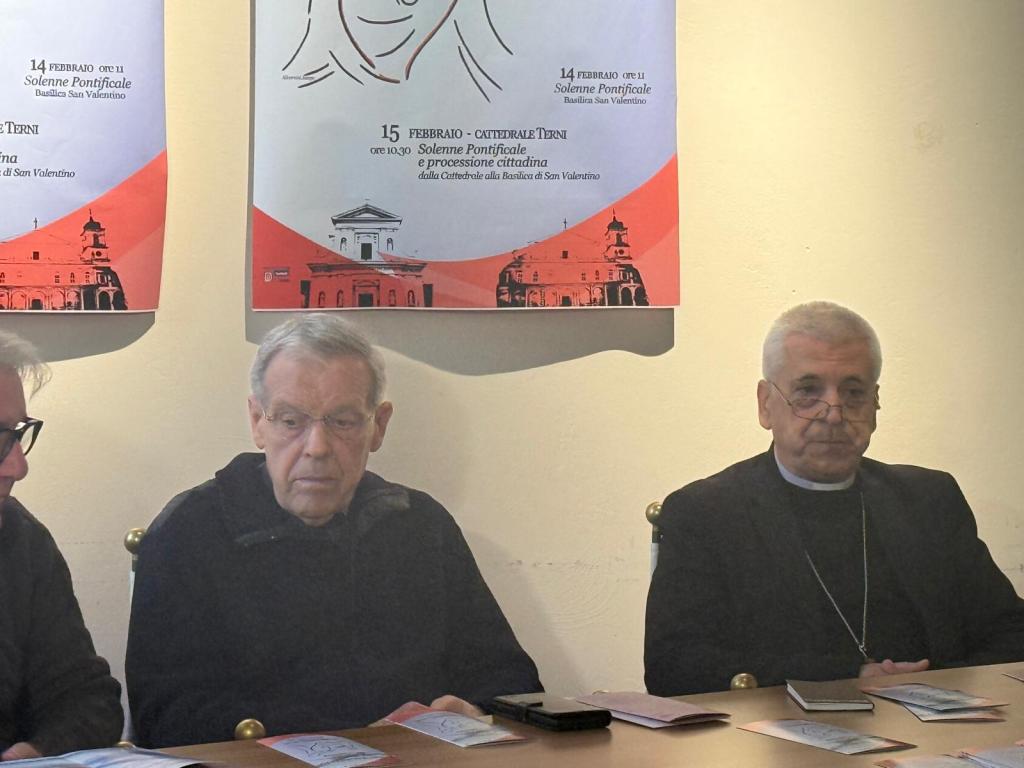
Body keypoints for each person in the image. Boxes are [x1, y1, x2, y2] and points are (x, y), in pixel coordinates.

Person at [126, 314, 541, 747]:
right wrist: (352, 736)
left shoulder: (421, 525)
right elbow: (165, 715)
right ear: (257, 422)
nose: (317, 448)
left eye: (342, 422)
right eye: (291, 421)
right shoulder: (189, 532)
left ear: (378, 426)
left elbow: (512, 680)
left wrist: (472, 711)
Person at [645, 301, 1024, 695]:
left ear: (876, 405)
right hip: (775, 743)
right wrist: (848, 678)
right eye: (808, 392)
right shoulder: (706, 514)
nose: (834, 414)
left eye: (854, 393)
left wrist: (935, 686)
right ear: (765, 405)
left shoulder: (928, 500)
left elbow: (1010, 632)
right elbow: (674, 667)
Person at [0, 331, 123, 759]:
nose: (19, 465)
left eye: (17, 434)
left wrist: (37, 750)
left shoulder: (21, 542)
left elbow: (87, 701)